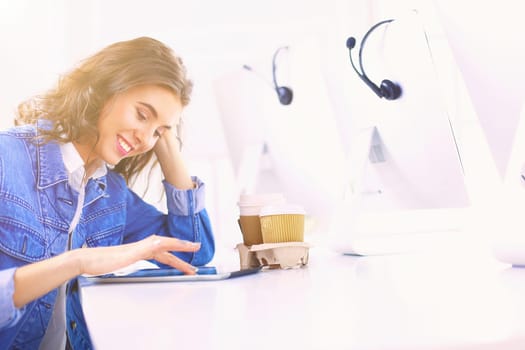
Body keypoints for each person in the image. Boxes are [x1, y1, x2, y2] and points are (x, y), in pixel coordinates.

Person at [0, 37, 215, 349]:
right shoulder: (7, 159)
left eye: (158, 131)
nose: (144, 139)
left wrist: (168, 148)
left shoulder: (111, 195)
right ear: (104, 89)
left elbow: (194, 252)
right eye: (142, 114)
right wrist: (77, 262)